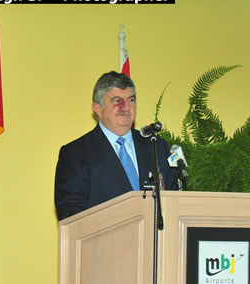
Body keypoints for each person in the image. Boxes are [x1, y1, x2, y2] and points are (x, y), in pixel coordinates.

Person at [54, 71, 178, 220]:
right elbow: (70, 215)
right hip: (105, 241)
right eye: (117, 100)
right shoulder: (76, 153)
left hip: (156, 241)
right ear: (97, 108)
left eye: (131, 99)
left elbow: (175, 200)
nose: (126, 107)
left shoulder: (156, 146)